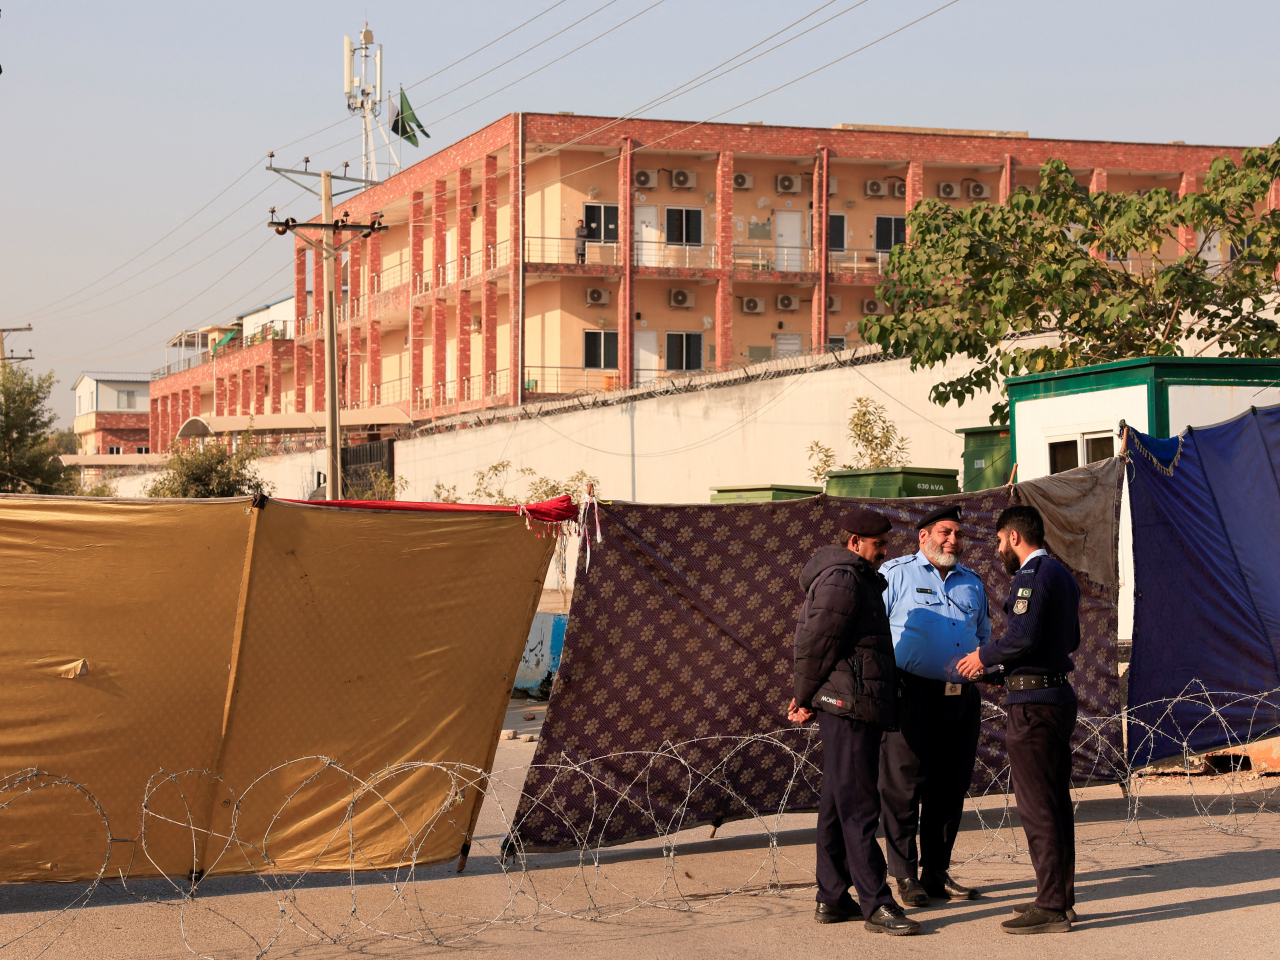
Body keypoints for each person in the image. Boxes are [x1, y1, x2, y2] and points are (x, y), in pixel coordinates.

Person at [788, 507, 920, 936]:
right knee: (861, 806)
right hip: (848, 706)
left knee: (837, 802)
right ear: (854, 543)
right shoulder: (844, 578)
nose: (884, 553)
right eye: (877, 545)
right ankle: (877, 903)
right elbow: (817, 642)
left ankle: (831, 897)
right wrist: (803, 695)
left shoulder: (853, 577)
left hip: (852, 702)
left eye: (885, 544)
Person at [956, 505, 1081, 935]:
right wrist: (1000, 672)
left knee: (1037, 805)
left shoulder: (1032, 575)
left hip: (1032, 705)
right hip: (1053, 695)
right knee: (1055, 802)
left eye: (998, 540)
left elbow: (1022, 637)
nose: (997, 549)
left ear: (1013, 536)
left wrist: (982, 657)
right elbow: (1069, 640)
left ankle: (1049, 905)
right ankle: (1059, 898)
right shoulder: (1063, 575)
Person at [878, 505, 992, 906]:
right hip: (911, 696)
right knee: (903, 788)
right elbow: (874, 634)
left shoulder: (972, 583)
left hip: (960, 699)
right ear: (923, 535)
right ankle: (904, 876)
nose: (953, 541)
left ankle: (936, 873)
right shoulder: (894, 575)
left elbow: (983, 634)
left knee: (950, 789)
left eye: (958, 534)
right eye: (945, 532)